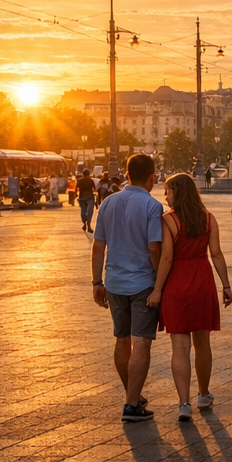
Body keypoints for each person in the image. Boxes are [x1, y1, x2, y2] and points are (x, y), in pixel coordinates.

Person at [145, 173, 232, 422]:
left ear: (178, 193)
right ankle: (203, 394)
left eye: (169, 191)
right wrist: (226, 285)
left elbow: (167, 258)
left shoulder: (169, 221)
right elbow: (216, 254)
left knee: (179, 346)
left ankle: (184, 403)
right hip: (203, 280)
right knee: (202, 343)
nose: (165, 195)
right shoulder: (208, 219)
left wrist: (158, 289)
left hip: (177, 282)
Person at [90, 153, 164, 422]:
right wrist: (160, 280)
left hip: (114, 282)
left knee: (122, 339)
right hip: (143, 282)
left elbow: (98, 246)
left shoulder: (108, 202)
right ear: (152, 176)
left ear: (127, 173)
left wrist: (97, 282)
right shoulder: (152, 206)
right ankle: (132, 404)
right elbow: (153, 247)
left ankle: (131, 395)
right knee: (141, 342)